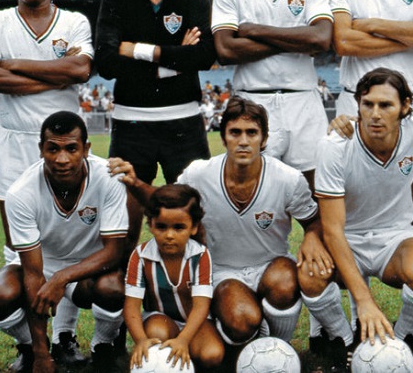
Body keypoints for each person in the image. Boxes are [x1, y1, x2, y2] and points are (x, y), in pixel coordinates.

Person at [110, 97, 332, 367]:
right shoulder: (200, 173)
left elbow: (313, 220)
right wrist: (135, 183)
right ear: (223, 136)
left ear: (264, 139)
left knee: (286, 280)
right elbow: (166, 200)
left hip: (269, 265)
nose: (243, 141)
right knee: (241, 318)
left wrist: (311, 236)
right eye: (235, 132)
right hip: (220, 272)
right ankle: (242, 352)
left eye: (252, 133)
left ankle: (279, 350)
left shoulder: (288, 178)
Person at [0, 0, 93, 368]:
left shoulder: (74, 21)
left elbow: (80, 71)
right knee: (17, 250)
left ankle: (65, 337)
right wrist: (51, 71)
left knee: (70, 244)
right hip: (13, 145)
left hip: (65, 146)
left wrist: (17, 67)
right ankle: (29, 345)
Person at [308, 68, 413, 370]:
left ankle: (402, 338)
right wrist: (364, 301)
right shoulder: (335, 146)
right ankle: (346, 341)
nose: (375, 114)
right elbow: (332, 230)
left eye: (386, 105)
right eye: (367, 104)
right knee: (310, 273)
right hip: (348, 237)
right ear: (357, 104)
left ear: (405, 107)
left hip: (394, 236)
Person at [95, 0, 216, 252]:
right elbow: (105, 62)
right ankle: (123, 301)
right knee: (122, 229)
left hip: (184, 122)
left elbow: (205, 56)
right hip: (130, 122)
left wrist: (135, 49)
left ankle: (198, 299)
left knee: (197, 224)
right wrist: (175, 57)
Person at [0, 112, 128, 373]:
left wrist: (61, 278)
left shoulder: (108, 178)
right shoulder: (21, 192)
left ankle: (102, 347)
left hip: (88, 266)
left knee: (114, 288)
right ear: (41, 150)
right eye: (53, 149)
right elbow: (33, 272)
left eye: (71, 149)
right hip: (40, 263)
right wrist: (40, 354)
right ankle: (29, 348)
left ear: (86, 149)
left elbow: (114, 251)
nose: (62, 159)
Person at [211, 0, 333, 190]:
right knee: (253, 195)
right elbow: (226, 51)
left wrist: (254, 31)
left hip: (303, 100)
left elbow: (321, 40)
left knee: (315, 197)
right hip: (252, 102)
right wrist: (295, 39)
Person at [124, 184, 223, 371]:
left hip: (194, 322)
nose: (169, 235)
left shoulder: (200, 256)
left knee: (212, 354)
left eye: (179, 228)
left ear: (193, 228)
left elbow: (201, 305)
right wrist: (141, 340)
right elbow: (131, 305)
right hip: (161, 319)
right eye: (161, 227)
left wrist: (183, 339)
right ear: (151, 224)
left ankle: (186, 357)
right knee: (155, 333)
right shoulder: (141, 256)